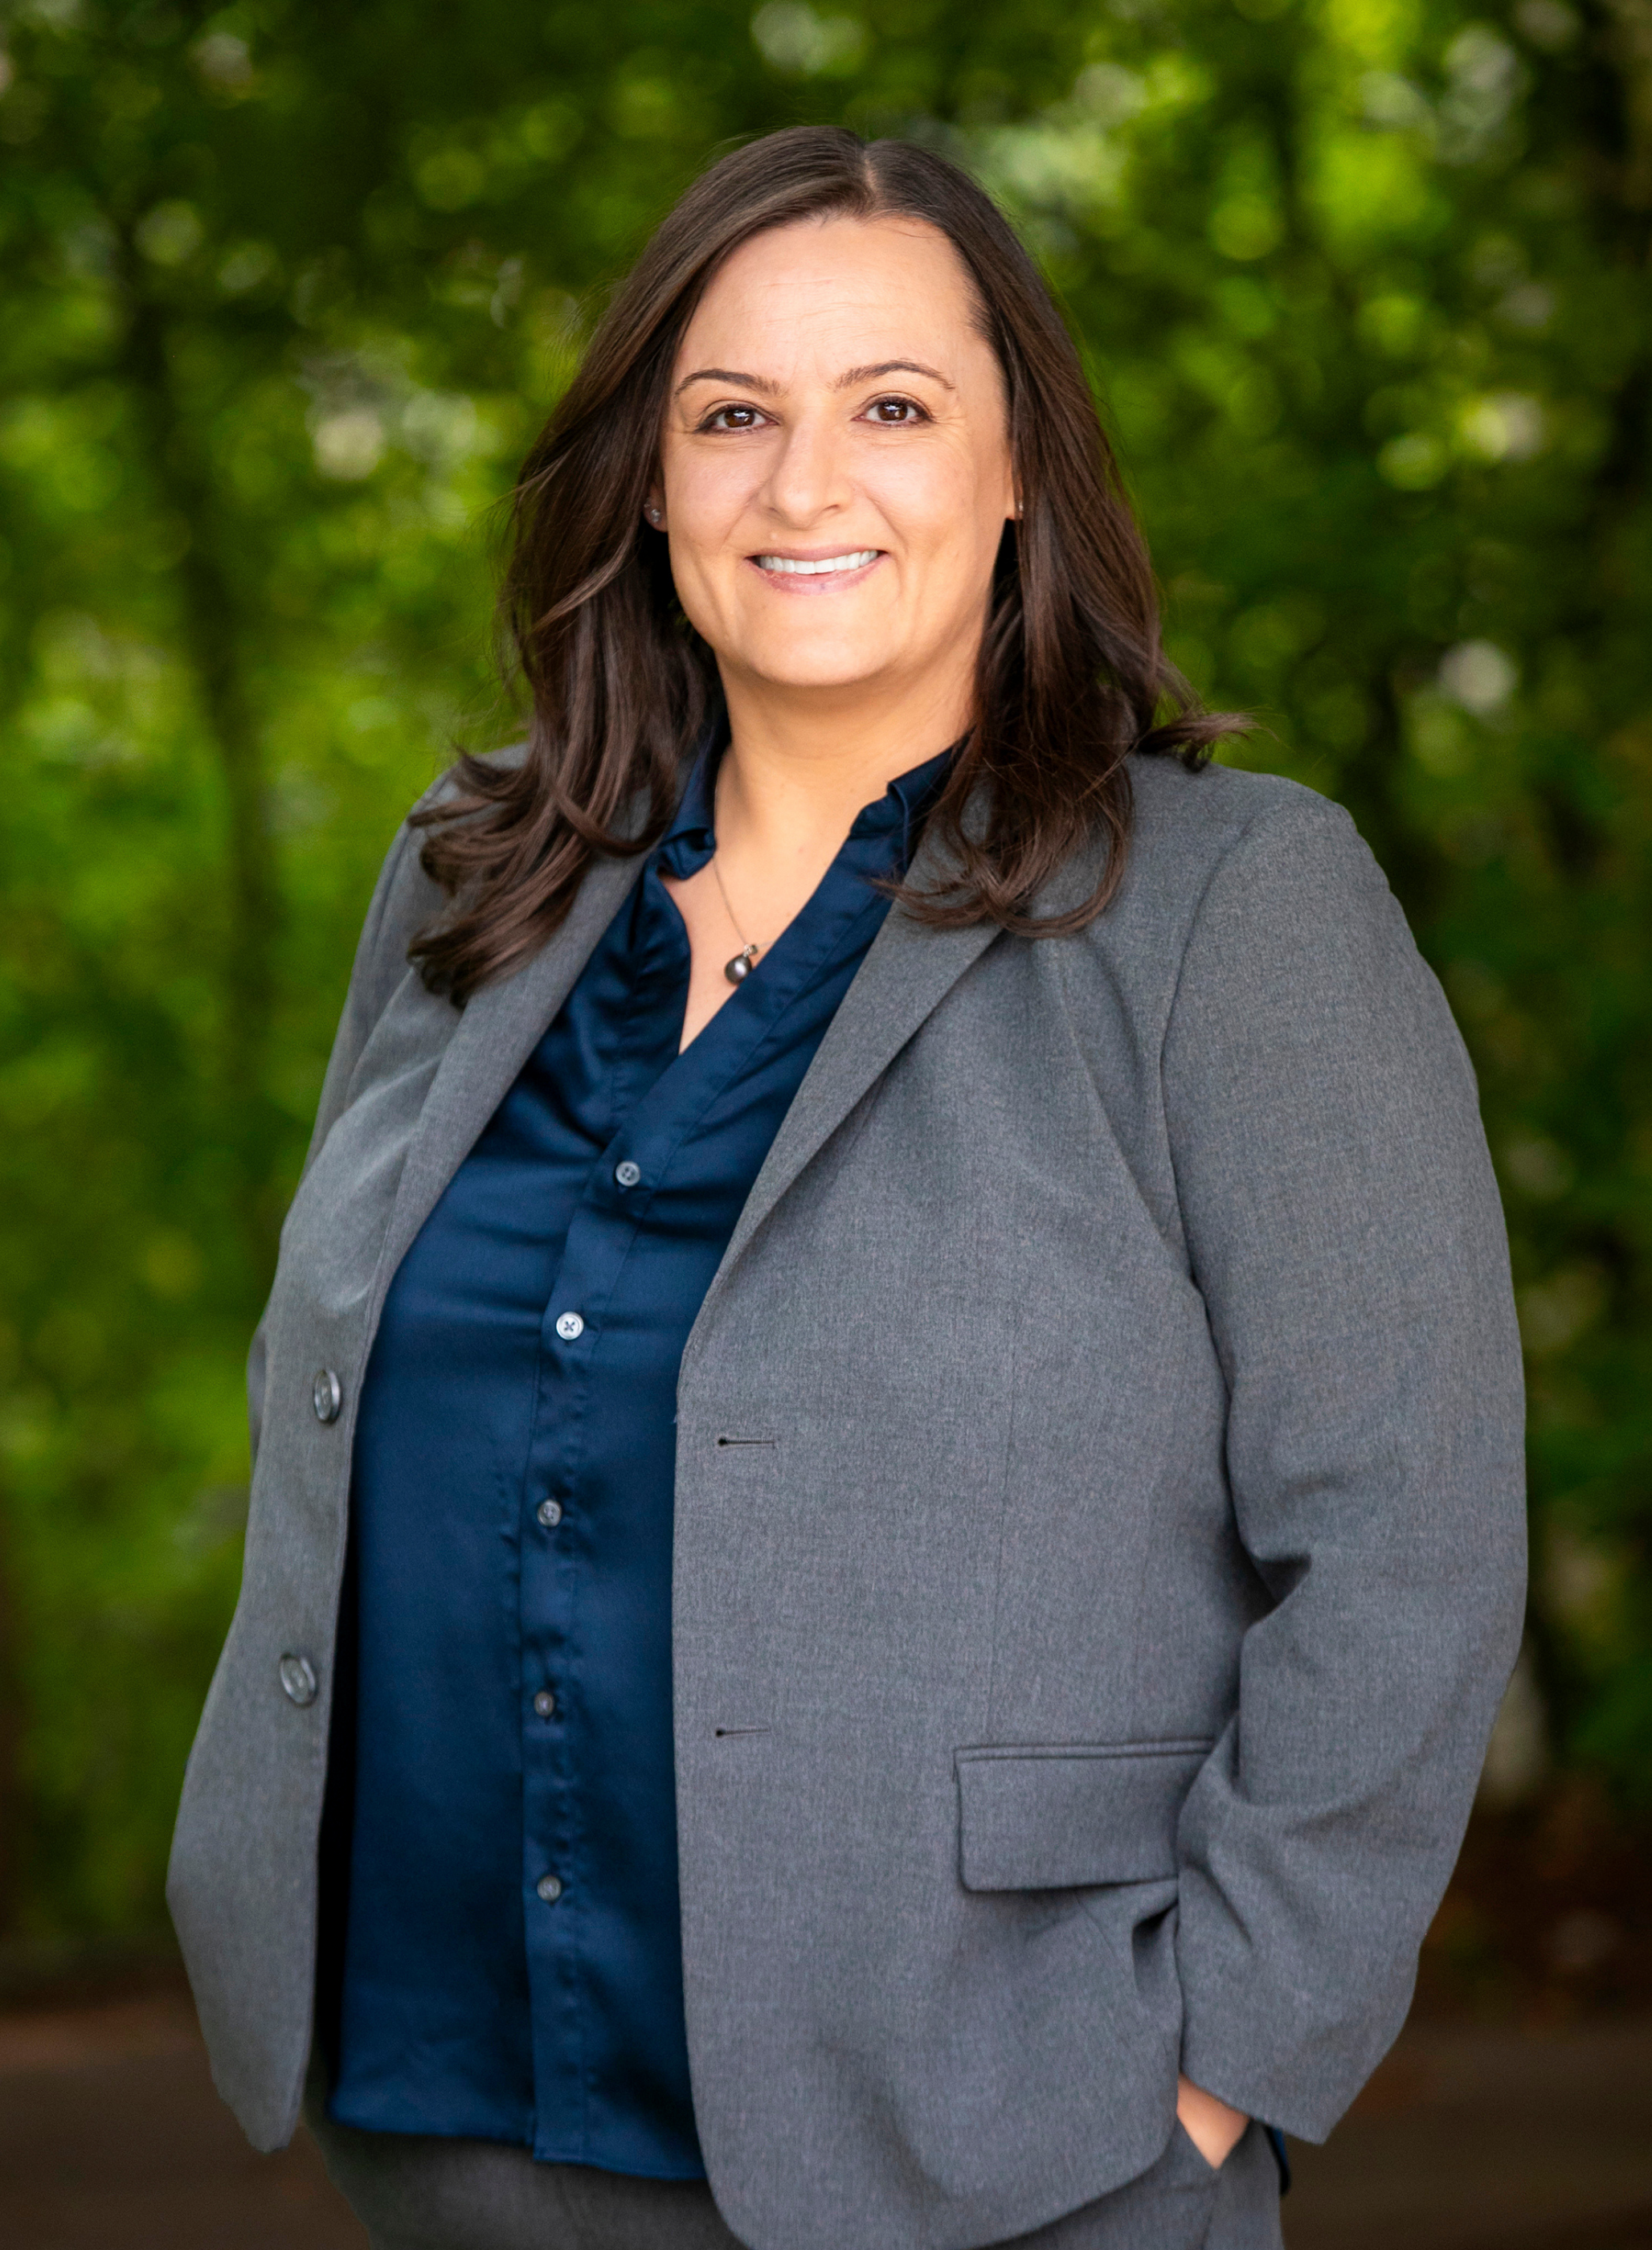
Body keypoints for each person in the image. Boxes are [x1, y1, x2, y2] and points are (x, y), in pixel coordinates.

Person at [166, 125, 1527, 2250]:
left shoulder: (1232, 915)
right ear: (647, 479)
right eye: (731, 418)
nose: (805, 489)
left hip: (1004, 2139)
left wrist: (1220, 2065)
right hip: (445, 2112)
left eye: (892, 407)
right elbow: (335, 1392)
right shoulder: (472, 875)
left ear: (1014, 471)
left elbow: (1406, 1543)